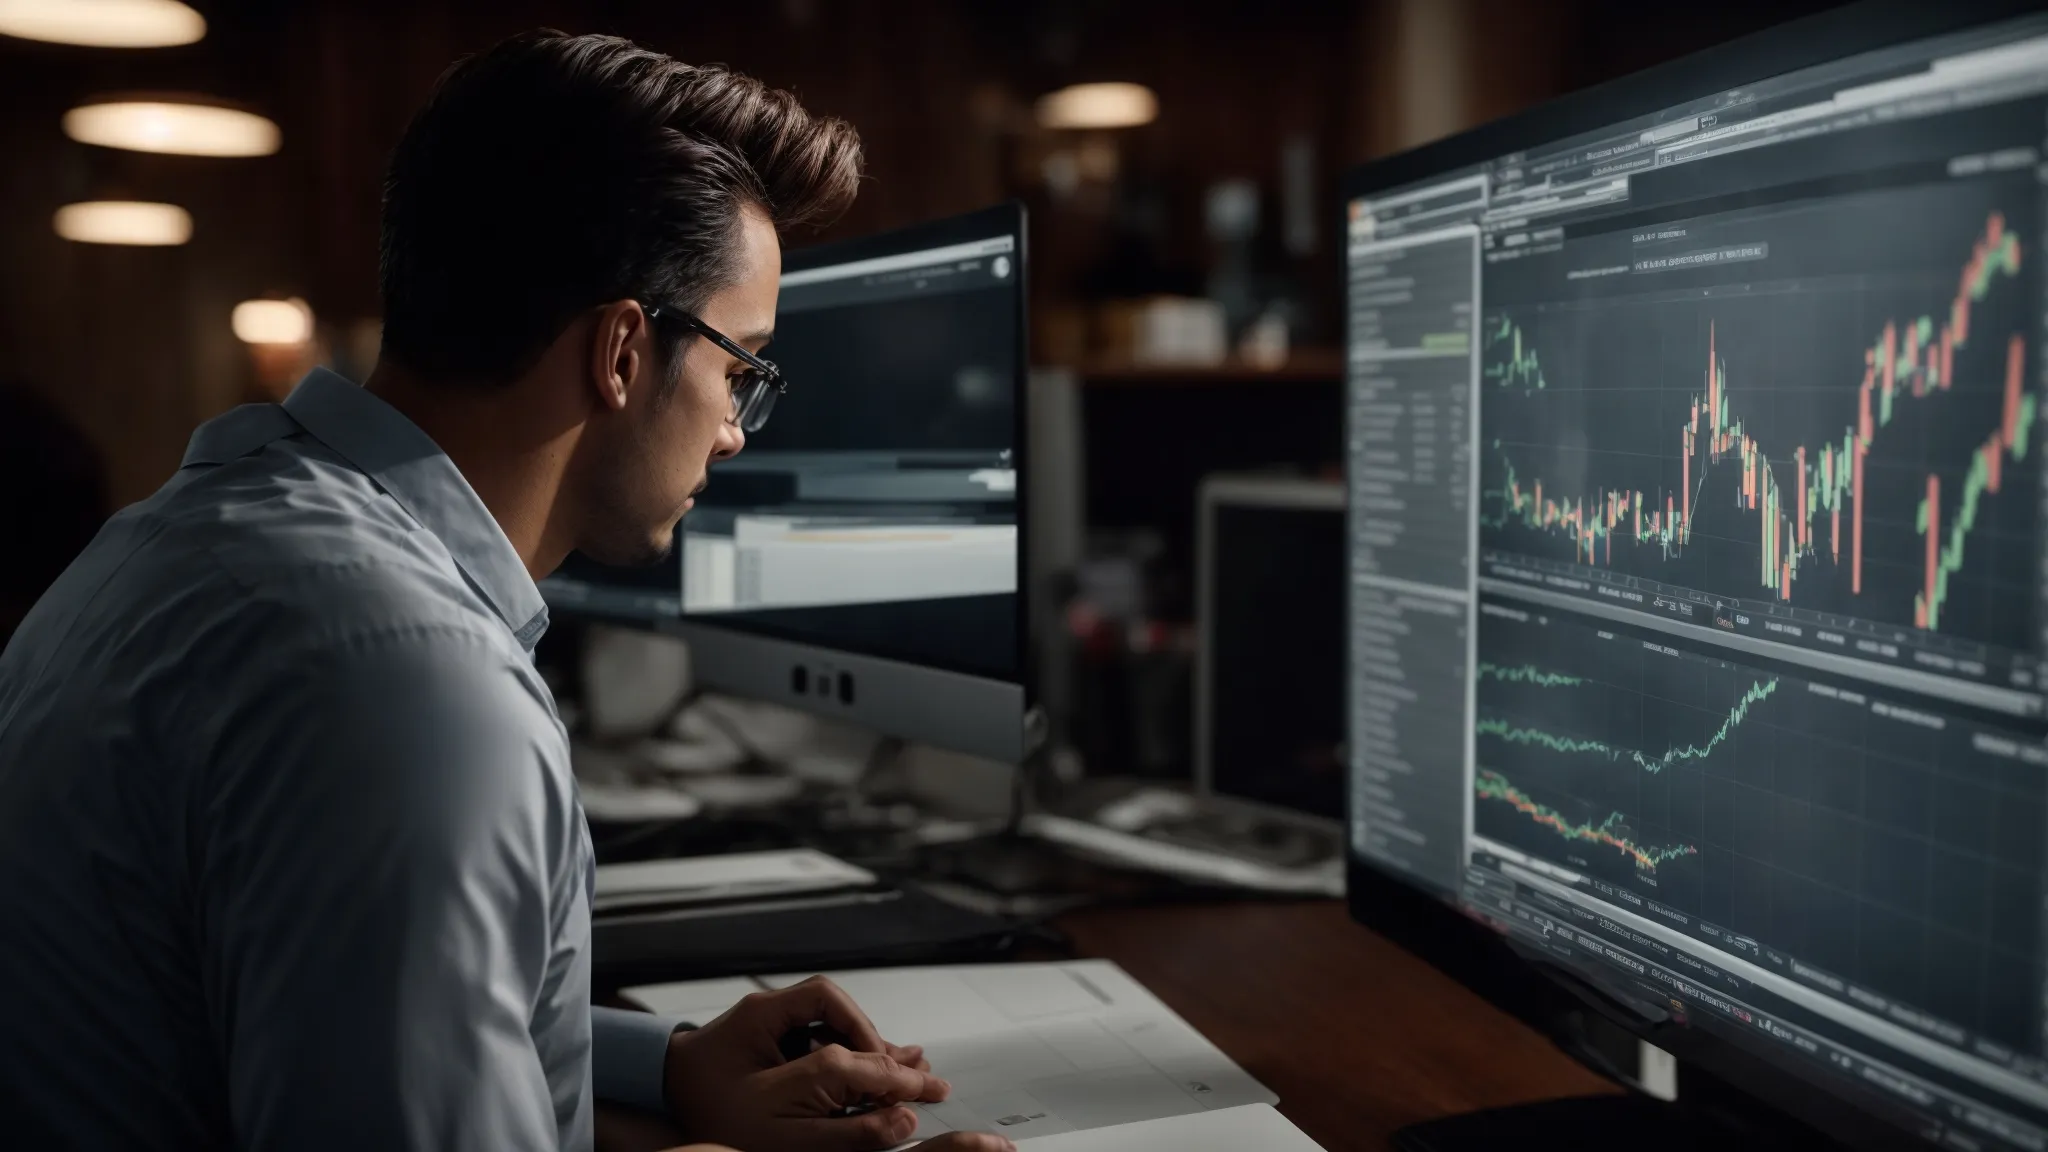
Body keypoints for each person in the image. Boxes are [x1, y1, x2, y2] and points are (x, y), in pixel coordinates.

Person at [0, 30, 1011, 1152]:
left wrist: (664, 1066)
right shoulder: (411, 687)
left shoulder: (183, 534)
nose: (733, 432)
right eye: (742, 371)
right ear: (623, 352)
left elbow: (325, 1017)